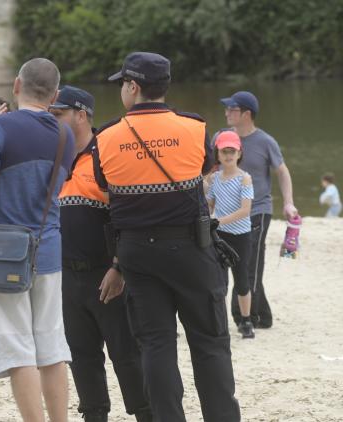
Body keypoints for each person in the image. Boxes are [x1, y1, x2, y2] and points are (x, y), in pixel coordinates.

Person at [95, 52, 240, 421]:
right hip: (192, 248)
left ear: (133, 86)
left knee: (156, 346)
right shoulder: (194, 128)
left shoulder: (107, 137)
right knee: (210, 344)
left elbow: (103, 184)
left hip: (137, 253)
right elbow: (204, 168)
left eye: (122, 85)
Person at [0, 59, 76, 422]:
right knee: (51, 346)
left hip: (3, 253)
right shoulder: (65, 134)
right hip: (49, 250)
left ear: (16, 85)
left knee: (17, 349)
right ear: (56, 96)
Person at [50, 85, 151, 422]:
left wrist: (119, 267)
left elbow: (130, 216)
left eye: (59, 113)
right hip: (66, 275)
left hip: (107, 274)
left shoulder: (106, 152)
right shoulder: (55, 157)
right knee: (81, 356)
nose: (53, 119)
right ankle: (94, 415)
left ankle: (145, 413)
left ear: (81, 115)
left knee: (127, 356)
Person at [219, 90, 297, 328]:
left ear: (246, 114)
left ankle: (244, 317)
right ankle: (262, 316)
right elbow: (211, 169)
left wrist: (288, 202)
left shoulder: (265, 141)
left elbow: (282, 172)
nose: (227, 112)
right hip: (227, 214)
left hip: (258, 210)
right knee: (238, 261)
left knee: (250, 262)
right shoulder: (221, 138)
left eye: (232, 109)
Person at [206, 131, 256, 339]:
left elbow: (245, 210)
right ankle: (221, 321)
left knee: (242, 280)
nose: (228, 155)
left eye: (231, 151)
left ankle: (246, 320)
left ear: (239, 153)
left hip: (241, 235)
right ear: (217, 154)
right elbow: (210, 205)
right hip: (220, 236)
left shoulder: (245, 179)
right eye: (223, 151)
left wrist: (218, 221)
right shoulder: (214, 178)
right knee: (220, 282)